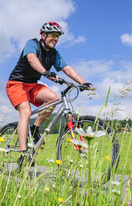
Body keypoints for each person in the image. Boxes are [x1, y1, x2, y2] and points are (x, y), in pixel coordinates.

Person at [6, 21, 92, 164]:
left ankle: (35, 129)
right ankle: (23, 154)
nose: (56, 39)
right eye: (53, 35)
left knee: (53, 97)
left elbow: (67, 69)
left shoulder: (54, 54)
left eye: (58, 36)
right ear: (44, 35)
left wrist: (82, 82)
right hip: (17, 84)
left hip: (32, 85)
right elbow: (32, 60)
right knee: (26, 113)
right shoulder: (32, 44)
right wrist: (45, 72)